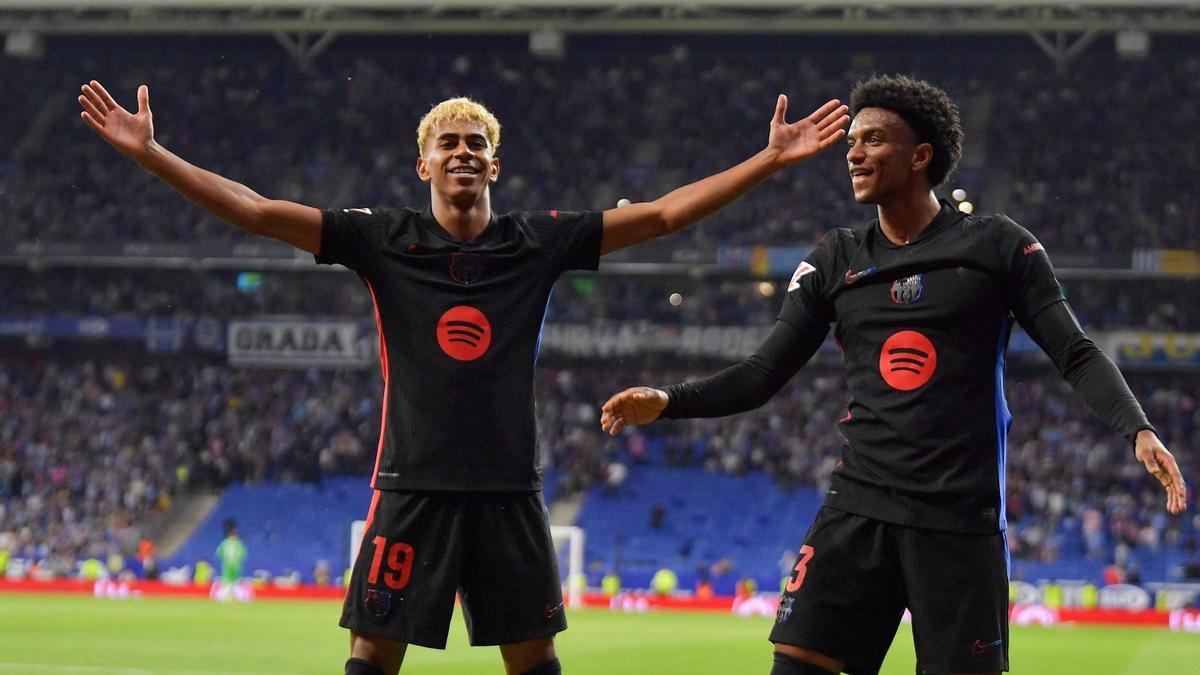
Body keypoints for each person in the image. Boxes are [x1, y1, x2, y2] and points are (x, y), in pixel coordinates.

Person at [78, 79, 848, 675]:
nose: (463, 151)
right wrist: (151, 155)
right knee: (371, 660)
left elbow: (665, 215)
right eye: (448, 142)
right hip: (412, 484)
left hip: (510, 488)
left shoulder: (536, 242)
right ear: (424, 163)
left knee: (534, 662)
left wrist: (770, 159)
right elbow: (253, 211)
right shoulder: (382, 239)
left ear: (495, 163)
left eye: (476, 142)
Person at [599, 74, 1189, 675]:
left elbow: (1077, 352)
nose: (853, 152)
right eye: (852, 140)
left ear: (920, 157)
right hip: (858, 510)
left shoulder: (999, 247)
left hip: (959, 521)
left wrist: (1136, 428)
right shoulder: (835, 258)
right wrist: (668, 400)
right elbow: (761, 373)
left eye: (874, 140)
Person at [215, 518, 247, 601]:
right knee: (235, 583)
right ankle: (241, 597)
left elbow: (218, 553)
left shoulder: (225, 543)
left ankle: (220, 597)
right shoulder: (238, 543)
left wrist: (226, 558)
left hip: (227, 565)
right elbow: (243, 554)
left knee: (226, 582)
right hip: (236, 565)